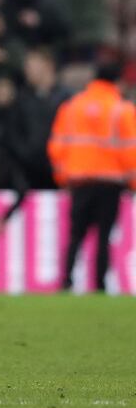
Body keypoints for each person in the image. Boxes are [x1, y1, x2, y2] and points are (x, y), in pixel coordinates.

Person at [47, 62, 136, 293]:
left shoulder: (72, 106)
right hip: (110, 183)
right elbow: (131, 151)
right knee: (104, 236)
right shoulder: (122, 109)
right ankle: (99, 285)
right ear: (117, 82)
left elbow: (57, 146)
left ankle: (65, 282)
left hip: (79, 181)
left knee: (76, 235)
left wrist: (62, 178)